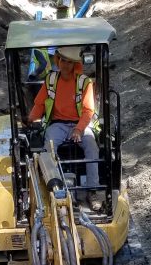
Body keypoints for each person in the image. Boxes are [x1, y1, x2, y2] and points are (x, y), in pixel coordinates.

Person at [27, 46, 102, 212]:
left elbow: (88, 110)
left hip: (80, 124)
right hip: (58, 124)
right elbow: (40, 103)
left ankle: (92, 191)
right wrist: (31, 118)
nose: (65, 65)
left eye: (69, 62)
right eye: (62, 60)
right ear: (57, 60)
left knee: (91, 146)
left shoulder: (84, 82)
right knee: (47, 148)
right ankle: (56, 191)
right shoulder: (51, 80)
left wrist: (79, 129)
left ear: (75, 64)